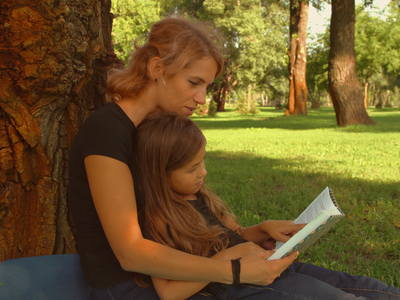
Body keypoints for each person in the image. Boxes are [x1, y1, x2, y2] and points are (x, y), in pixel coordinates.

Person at [133, 111, 400, 300]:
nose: (204, 172)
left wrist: (259, 231)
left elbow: (230, 238)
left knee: (361, 285)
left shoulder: (196, 195)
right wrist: (232, 268)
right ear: (158, 171)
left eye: (203, 161)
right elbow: (168, 289)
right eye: (191, 168)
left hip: (269, 267)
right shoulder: (157, 215)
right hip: (243, 288)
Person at [67, 16, 298, 300]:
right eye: (193, 83)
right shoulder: (107, 130)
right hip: (128, 288)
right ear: (156, 69)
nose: (202, 98)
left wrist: (252, 234)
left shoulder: (155, 129)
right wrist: (234, 269)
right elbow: (130, 252)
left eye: (207, 87)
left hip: (183, 275)